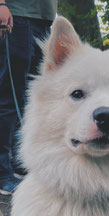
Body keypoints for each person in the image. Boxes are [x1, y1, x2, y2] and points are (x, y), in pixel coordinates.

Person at [0, 0, 58, 195]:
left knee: (31, 95)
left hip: (44, 19)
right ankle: (2, 173)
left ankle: (19, 160)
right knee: (9, 95)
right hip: (16, 16)